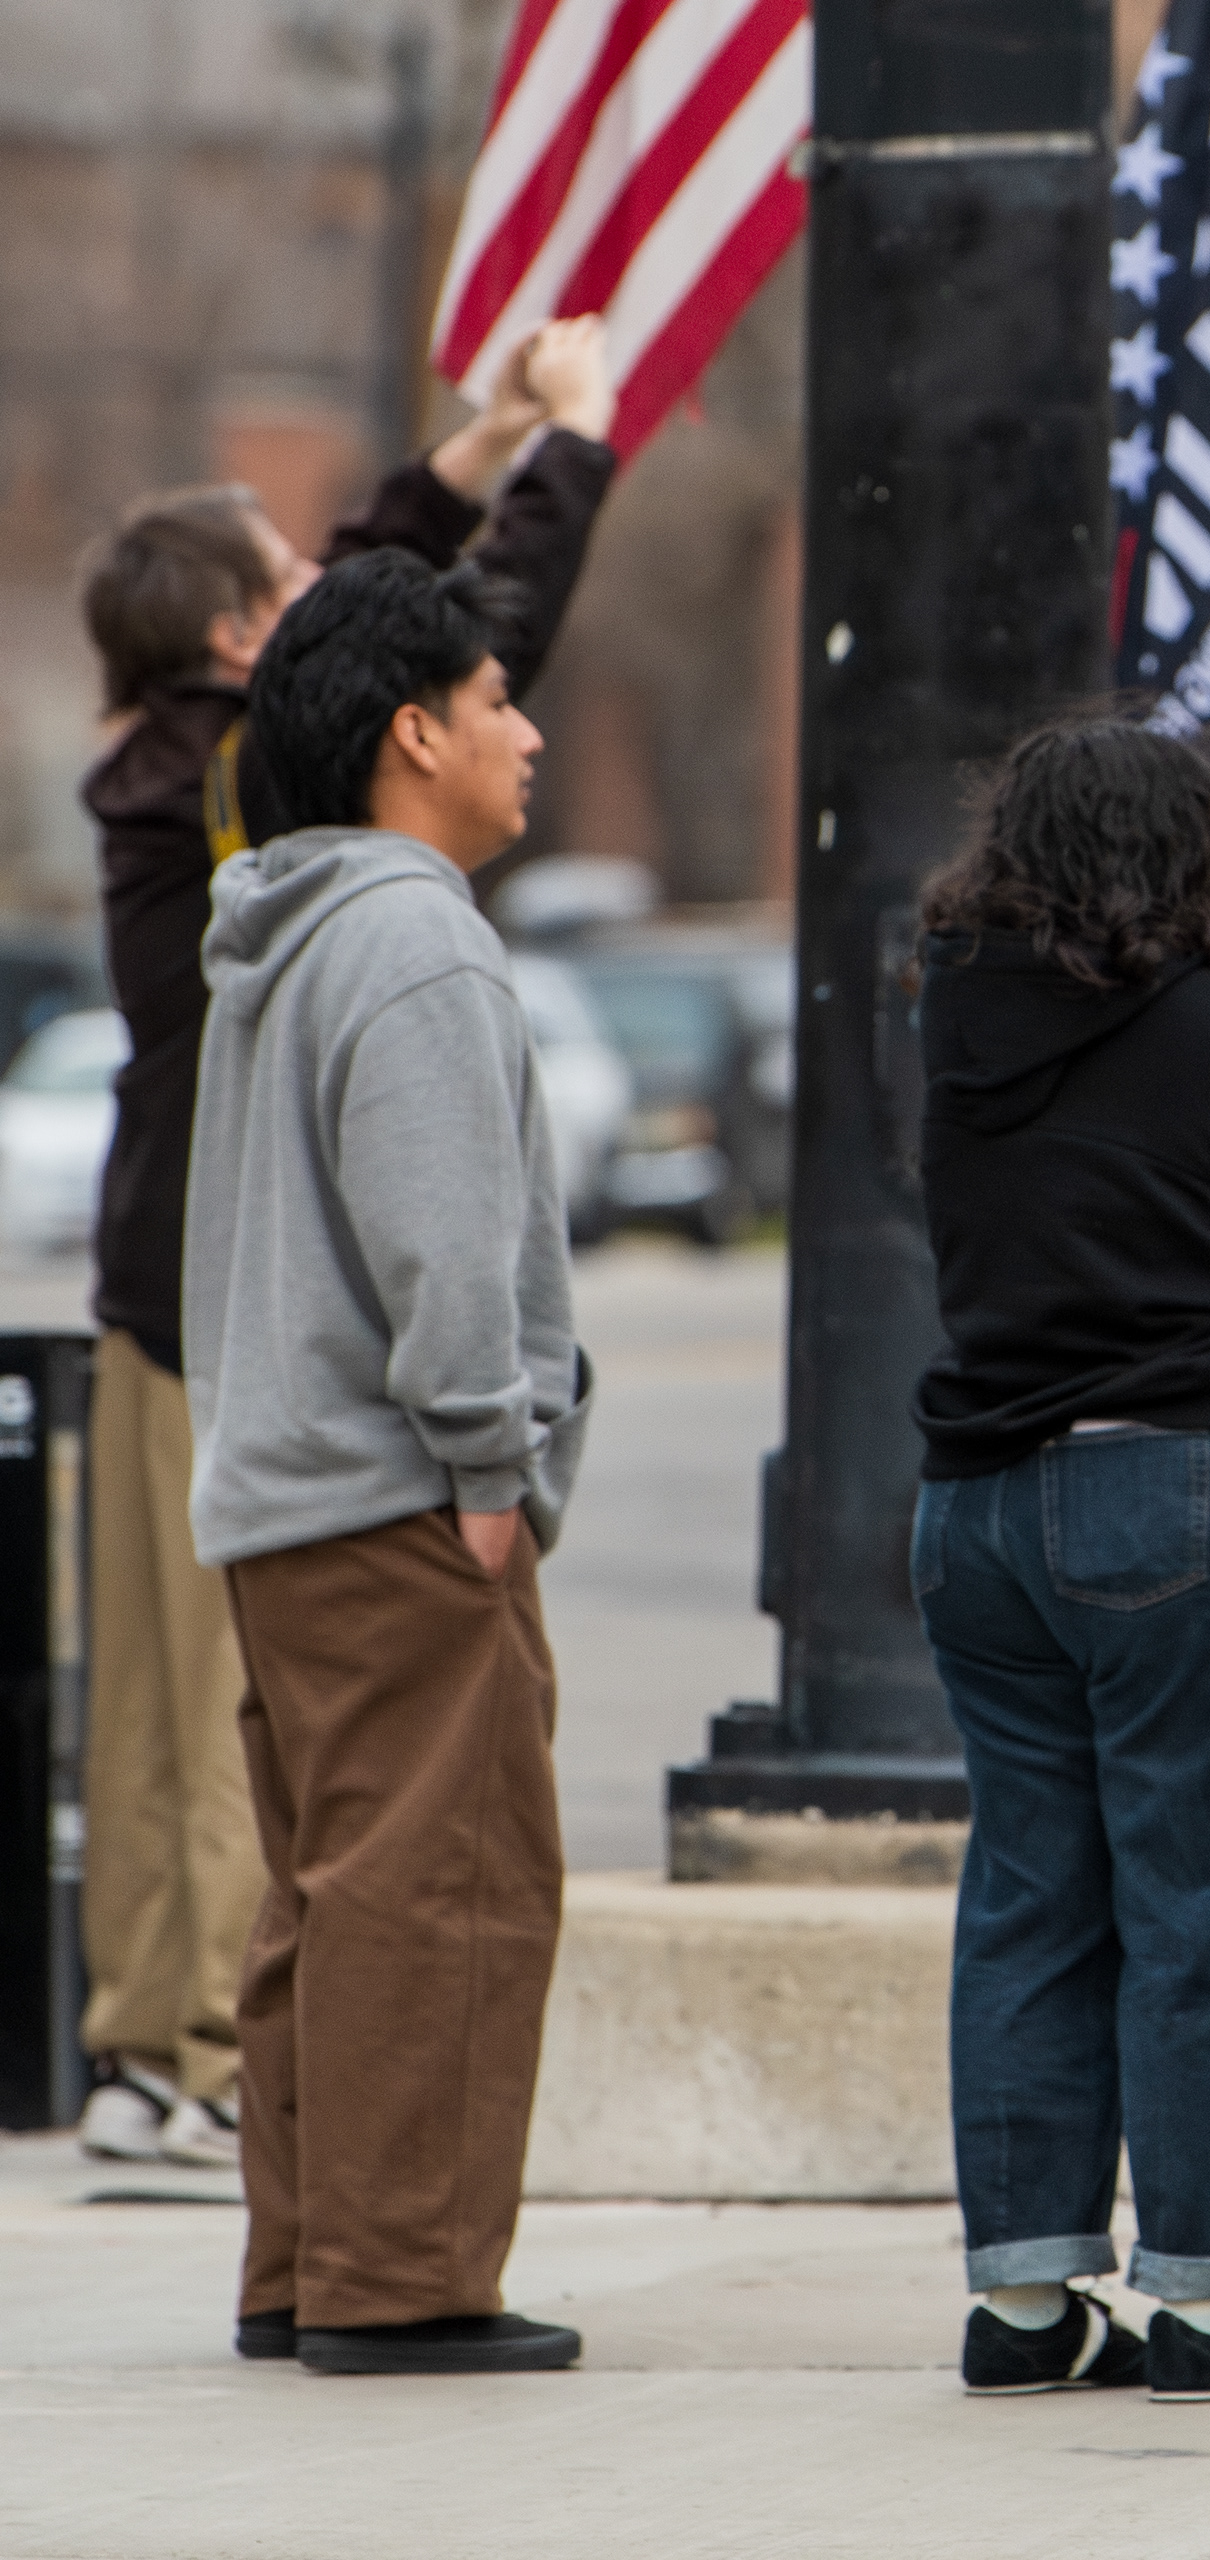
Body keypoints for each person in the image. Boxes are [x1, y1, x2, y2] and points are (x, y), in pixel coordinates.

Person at [66, 319, 616, 2174]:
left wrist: (490, 443)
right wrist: (568, 461)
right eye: (283, 583)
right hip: (263, 1346)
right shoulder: (278, 825)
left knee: (198, 1727)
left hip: (203, 1306)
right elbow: (431, 658)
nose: (318, 590)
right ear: (242, 646)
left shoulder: (197, 783)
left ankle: (173, 2064)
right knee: (343, 1820)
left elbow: (388, 619)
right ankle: (200, 2068)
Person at [910, 716, 1210, 2402]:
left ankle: (1024, 2304)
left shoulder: (958, 1014)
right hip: (1175, 1489)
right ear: (1189, 852)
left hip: (977, 1510)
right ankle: (1203, 2305)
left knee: (1033, 1895)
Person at [187, 548, 593, 2374]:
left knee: (328, 1900)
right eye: (501, 700)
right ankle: (407, 2284)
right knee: (451, 1889)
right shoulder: (417, 934)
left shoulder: (282, 931)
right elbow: (443, 1245)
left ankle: (307, 2265)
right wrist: (489, 1473)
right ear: (415, 733)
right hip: (404, 1508)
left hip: (283, 1502)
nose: (530, 731)